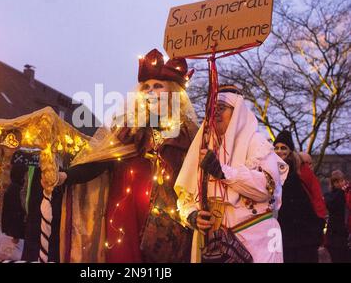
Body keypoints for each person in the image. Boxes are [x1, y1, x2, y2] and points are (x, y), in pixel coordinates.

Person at [58, 48, 198, 263]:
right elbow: (99, 161)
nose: (150, 91)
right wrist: (67, 176)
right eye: (146, 87)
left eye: (158, 86)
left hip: (169, 218)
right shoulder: (128, 128)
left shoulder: (188, 133)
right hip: (124, 214)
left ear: (173, 92)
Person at [174, 85, 288, 263]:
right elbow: (184, 196)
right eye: (211, 109)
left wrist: (222, 171)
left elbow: (266, 188)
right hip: (212, 247)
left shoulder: (256, 143)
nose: (215, 113)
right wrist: (192, 215)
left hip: (257, 242)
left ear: (237, 113)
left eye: (221, 108)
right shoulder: (203, 145)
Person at [275, 131, 325, 263]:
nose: (279, 151)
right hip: (284, 233)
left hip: (306, 233)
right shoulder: (271, 170)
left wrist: (319, 224)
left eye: (283, 148)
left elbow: (316, 194)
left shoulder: (301, 168)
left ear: (290, 150)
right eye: (277, 147)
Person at [324, 170, 350, 263]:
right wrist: (341, 192)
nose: (340, 183)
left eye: (342, 180)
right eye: (337, 181)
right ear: (333, 183)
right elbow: (331, 204)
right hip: (336, 236)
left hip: (343, 234)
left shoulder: (346, 193)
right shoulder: (331, 196)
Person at [2, 164, 27, 243]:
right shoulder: (17, 189)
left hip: (13, 230)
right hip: (17, 230)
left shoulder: (12, 188)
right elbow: (16, 212)